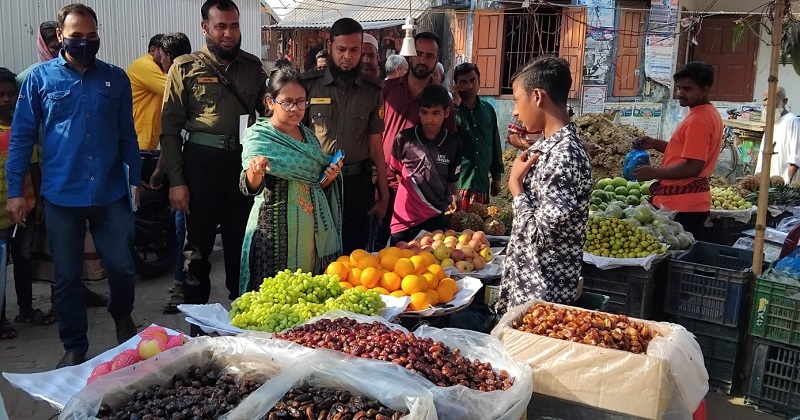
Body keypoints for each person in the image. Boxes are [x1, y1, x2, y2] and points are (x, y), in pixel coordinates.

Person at [8, 3, 141, 367]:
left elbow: (127, 135)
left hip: (111, 192)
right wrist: (14, 192)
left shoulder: (115, 78)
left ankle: (122, 314)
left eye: (91, 36)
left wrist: (134, 182)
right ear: (60, 36)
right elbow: (21, 138)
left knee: (122, 267)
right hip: (62, 195)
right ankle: (75, 345)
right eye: (77, 36)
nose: (85, 42)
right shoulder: (39, 80)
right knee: (66, 278)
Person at [160, 0, 267, 332]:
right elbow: (169, 129)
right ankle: (197, 330)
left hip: (241, 166)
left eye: (234, 26)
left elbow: (268, 115)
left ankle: (242, 323)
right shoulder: (184, 67)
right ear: (205, 28)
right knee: (198, 252)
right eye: (221, 26)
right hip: (200, 166)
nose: (229, 33)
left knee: (241, 247)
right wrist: (176, 181)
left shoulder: (253, 68)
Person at [495, 57, 592, 316]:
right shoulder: (548, 148)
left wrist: (516, 188)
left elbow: (541, 237)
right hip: (529, 294)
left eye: (516, 99)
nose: (515, 111)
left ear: (537, 96)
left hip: (542, 301)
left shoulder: (564, 155)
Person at [239, 64, 343, 292]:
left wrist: (329, 176)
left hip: (311, 236)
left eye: (301, 101)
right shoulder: (259, 136)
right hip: (273, 237)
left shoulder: (310, 139)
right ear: (270, 102)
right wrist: (255, 172)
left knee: (308, 300)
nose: (295, 109)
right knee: (273, 302)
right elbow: (249, 187)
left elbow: (315, 184)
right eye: (287, 102)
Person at [303, 18, 389, 254]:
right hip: (316, 183)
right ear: (330, 46)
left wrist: (384, 194)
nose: (347, 57)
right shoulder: (309, 86)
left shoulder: (373, 91)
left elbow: (375, 145)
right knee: (316, 253)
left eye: (354, 50)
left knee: (355, 256)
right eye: (341, 50)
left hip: (356, 186)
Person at [378, 32, 457, 247]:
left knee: (423, 254)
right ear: (409, 56)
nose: (423, 60)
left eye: (429, 56)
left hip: (421, 194)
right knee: (381, 252)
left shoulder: (441, 100)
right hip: (383, 186)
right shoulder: (387, 90)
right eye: (418, 54)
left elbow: (449, 146)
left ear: (436, 59)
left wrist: (450, 192)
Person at [632, 61, 722, 237]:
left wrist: (654, 172)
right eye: (679, 88)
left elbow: (693, 166)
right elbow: (687, 153)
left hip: (682, 206)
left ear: (704, 90)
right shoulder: (707, 113)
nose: (680, 94)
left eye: (687, 89)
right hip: (687, 203)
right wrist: (656, 144)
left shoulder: (699, 121)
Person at [146, 32, 192, 313]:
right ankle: (182, 284)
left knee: (182, 231)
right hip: (183, 171)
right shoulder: (179, 79)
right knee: (183, 232)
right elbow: (172, 136)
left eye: (160, 55)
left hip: (191, 173)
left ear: (169, 56)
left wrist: (162, 171)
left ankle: (182, 286)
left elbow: (175, 134)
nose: (157, 60)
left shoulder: (180, 82)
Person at [0, 68, 46, 340]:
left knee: (24, 259)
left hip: (25, 208)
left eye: (11, 94)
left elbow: (35, 166)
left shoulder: (23, 126)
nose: (6, 100)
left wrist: (37, 201)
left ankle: (26, 308)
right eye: (0, 95)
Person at [388, 85, 461, 244]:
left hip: (435, 217)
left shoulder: (453, 143)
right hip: (404, 220)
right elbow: (397, 173)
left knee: (433, 265)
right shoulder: (404, 139)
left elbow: (452, 179)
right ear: (418, 112)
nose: (429, 119)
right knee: (397, 264)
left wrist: (454, 196)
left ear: (446, 113)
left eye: (436, 113)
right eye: (424, 113)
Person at [451, 62, 503, 209]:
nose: (469, 86)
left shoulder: (488, 111)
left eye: (473, 81)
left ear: (479, 81)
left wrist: (497, 177)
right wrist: (455, 105)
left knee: (478, 230)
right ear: (456, 85)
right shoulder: (450, 111)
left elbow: (494, 143)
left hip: (481, 183)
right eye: (463, 82)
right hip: (458, 184)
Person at [128, 34, 166, 150]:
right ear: (153, 50)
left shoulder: (158, 68)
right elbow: (172, 90)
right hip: (139, 133)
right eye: (165, 52)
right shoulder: (145, 65)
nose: (167, 57)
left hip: (146, 133)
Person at [755, 87, 800, 183]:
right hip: (766, 178)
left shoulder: (792, 121)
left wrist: (788, 180)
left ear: (784, 101)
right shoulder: (771, 120)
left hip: (784, 180)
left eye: (773, 99)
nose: (767, 103)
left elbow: (796, 155)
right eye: (765, 99)